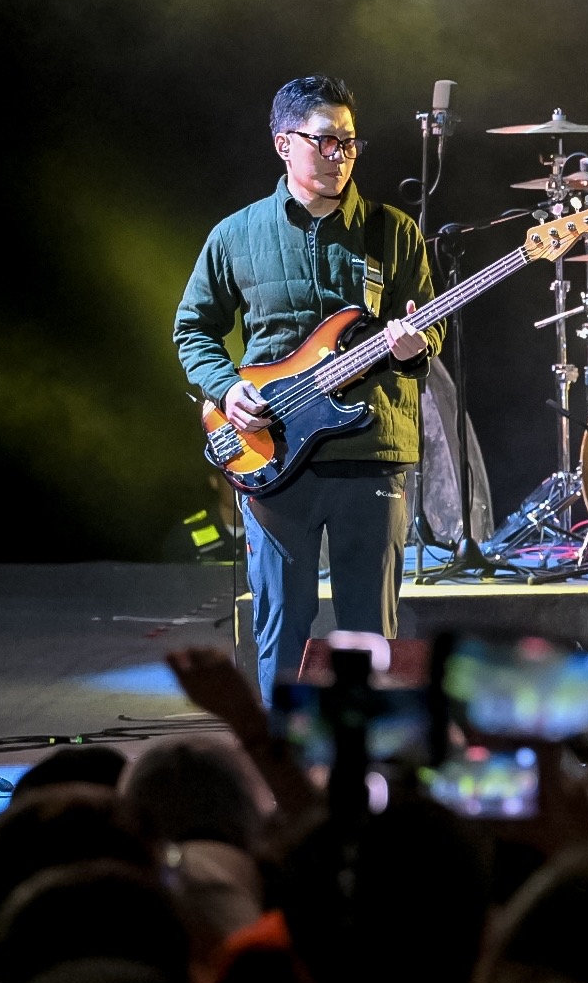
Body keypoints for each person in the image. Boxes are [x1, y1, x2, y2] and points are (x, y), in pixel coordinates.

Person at [175, 76, 441, 699]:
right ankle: (283, 755)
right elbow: (193, 329)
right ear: (282, 144)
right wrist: (225, 388)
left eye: (349, 142)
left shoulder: (393, 231)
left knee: (370, 637)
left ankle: (364, 754)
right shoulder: (236, 234)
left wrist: (417, 343)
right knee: (281, 629)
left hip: (371, 452)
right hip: (270, 456)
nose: (339, 155)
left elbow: (432, 325)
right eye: (324, 141)